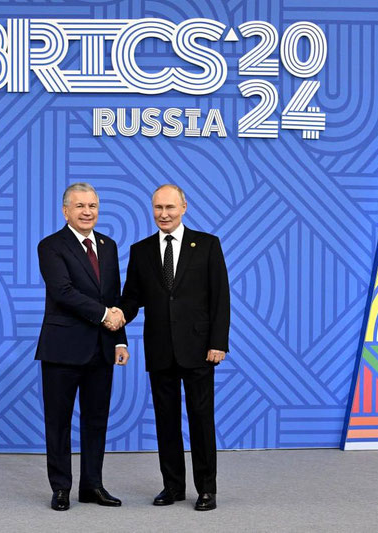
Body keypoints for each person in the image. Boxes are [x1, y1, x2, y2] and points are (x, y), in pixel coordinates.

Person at [115, 184, 230, 511]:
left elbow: (220, 297)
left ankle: (207, 489)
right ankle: (173, 487)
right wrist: (119, 314)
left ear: (184, 207)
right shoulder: (141, 250)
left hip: (199, 349)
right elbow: (132, 298)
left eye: (169, 207)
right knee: (166, 422)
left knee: (201, 420)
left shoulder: (207, 245)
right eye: (157, 208)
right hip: (160, 348)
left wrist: (218, 343)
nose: (163, 214)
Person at [35, 182, 130, 511]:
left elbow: (114, 296)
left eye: (92, 206)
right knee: (58, 422)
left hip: (102, 348)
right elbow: (63, 292)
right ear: (66, 211)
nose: (87, 211)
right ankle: (61, 487)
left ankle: (92, 485)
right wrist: (106, 316)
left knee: (96, 420)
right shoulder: (51, 246)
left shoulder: (109, 245)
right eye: (80, 206)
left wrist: (119, 338)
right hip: (62, 348)